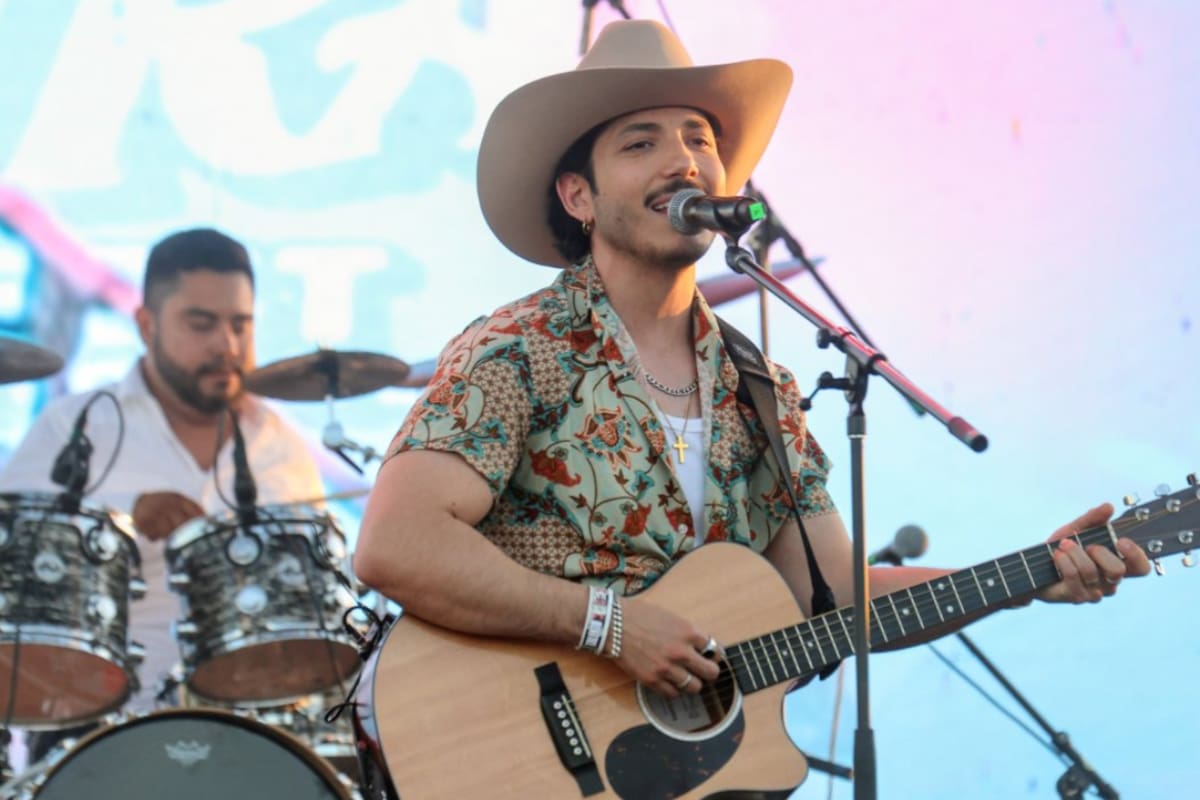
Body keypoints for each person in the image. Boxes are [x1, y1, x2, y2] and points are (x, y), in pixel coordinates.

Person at [353, 18, 1150, 791]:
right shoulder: (519, 349)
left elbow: (833, 594)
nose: (683, 161)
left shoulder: (759, 389)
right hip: (507, 756)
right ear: (577, 195)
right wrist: (608, 625)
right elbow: (395, 544)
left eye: (700, 139)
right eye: (642, 142)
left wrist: (1028, 576)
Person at [0, 227, 324, 755]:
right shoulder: (75, 428)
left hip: (260, 735)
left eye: (241, 325)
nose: (227, 345)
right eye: (202, 324)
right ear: (146, 325)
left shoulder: (281, 446)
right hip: (97, 733)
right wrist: (123, 521)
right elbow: (10, 570)